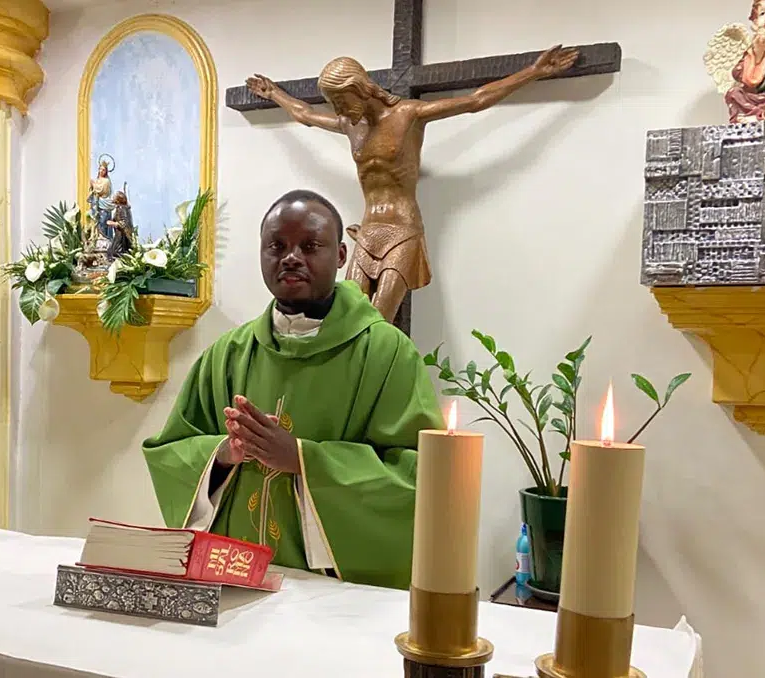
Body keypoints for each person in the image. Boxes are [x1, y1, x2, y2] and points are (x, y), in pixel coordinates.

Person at [142, 189, 442, 590]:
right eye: (277, 246)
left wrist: (303, 459)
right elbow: (170, 452)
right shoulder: (228, 354)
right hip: (232, 576)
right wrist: (222, 455)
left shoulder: (387, 354)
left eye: (310, 245)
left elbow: (420, 477)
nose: (291, 257)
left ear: (339, 256)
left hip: (333, 593)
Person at [245, 46, 578, 323]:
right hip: (369, 232)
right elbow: (304, 115)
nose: (339, 110)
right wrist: (273, 92)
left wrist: (533, 72)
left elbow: (476, 100)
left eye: (342, 101)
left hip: (403, 230)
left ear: (360, 88)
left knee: (378, 322)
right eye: (335, 104)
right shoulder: (350, 125)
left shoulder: (409, 115)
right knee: (344, 319)